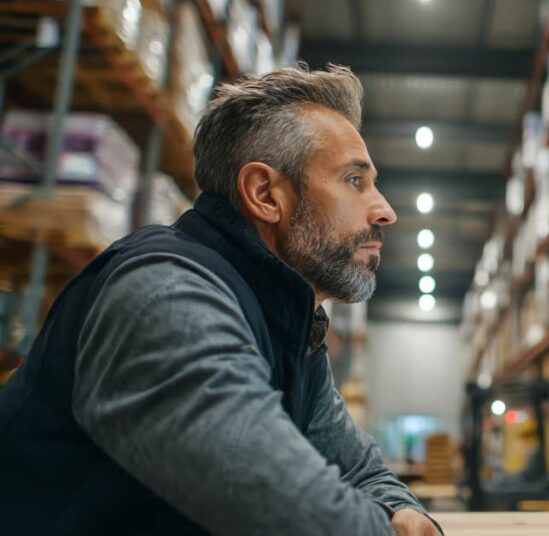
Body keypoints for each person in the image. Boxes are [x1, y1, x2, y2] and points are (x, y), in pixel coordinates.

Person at [0, 65, 443, 536]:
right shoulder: (165, 293)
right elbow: (282, 510)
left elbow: (361, 472)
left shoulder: (288, 325)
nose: (385, 211)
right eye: (355, 180)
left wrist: (403, 511)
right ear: (264, 194)